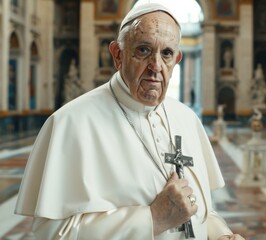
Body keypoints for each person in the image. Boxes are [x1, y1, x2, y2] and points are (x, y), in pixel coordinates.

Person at [14, 1, 244, 239]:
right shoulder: (70, 122)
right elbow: (52, 233)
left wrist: (220, 234)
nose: (156, 66)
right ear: (117, 54)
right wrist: (153, 219)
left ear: (176, 60)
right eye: (144, 50)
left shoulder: (186, 119)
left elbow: (199, 210)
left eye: (166, 53)